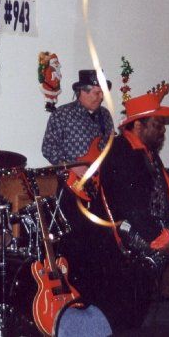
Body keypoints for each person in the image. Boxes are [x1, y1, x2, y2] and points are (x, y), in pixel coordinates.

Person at [96, 90, 169, 331]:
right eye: (158, 125)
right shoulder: (121, 151)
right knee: (131, 310)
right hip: (125, 240)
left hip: (146, 232)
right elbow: (131, 206)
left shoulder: (147, 153)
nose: (163, 130)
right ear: (138, 125)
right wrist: (159, 237)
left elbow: (164, 197)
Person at [41, 69, 114, 316]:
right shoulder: (62, 115)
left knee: (101, 245)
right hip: (71, 188)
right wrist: (72, 165)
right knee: (74, 244)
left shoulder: (105, 116)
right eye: (95, 92)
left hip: (99, 189)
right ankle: (75, 300)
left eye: (101, 93)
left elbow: (107, 148)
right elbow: (48, 147)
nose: (99, 97)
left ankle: (99, 303)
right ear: (80, 92)